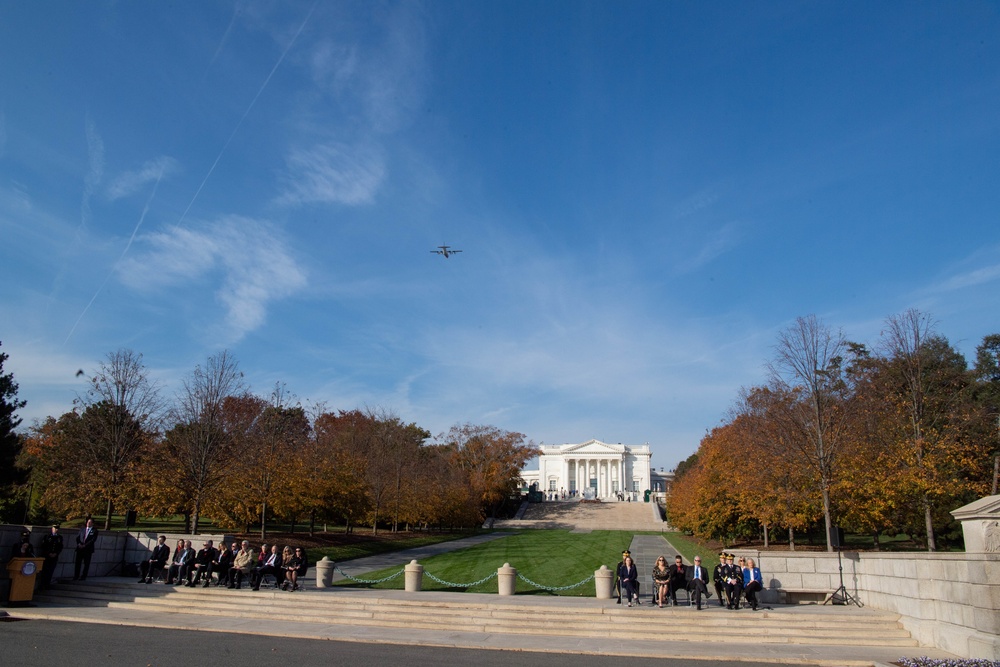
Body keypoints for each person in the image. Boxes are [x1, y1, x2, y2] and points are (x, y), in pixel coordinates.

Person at [39, 525, 64, 590]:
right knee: (44, 571)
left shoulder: (59, 537)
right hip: (47, 556)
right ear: (52, 528)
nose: (56, 530)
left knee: (51, 570)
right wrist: (48, 553)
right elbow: (44, 546)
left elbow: (60, 547)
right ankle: (42, 585)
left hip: (54, 556)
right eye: (55, 528)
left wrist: (56, 553)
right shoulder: (47, 536)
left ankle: (47, 584)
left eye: (57, 529)